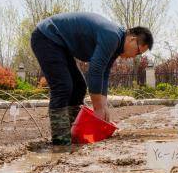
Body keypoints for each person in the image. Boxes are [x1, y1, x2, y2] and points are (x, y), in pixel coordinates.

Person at [30, 12, 153, 145]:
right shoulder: (112, 36)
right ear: (132, 39)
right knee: (63, 87)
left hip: (60, 44)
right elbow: (95, 70)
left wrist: (104, 105)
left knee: (79, 86)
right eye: (138, 51)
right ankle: (61, 141)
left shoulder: (116, 44)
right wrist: (98, 108)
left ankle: (73, 132)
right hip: (46, 37)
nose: (136, 56)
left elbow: (104, 74)